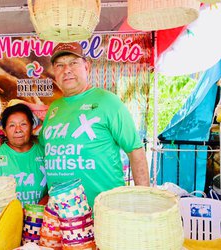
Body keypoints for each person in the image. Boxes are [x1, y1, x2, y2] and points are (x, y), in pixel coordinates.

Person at [39, 42, 149, 208]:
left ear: (87, 66)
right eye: (60, 65)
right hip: (62, 216)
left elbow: (135, 150)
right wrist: (3, 144)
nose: (66, 70)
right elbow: (41, 148)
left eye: (73, 63)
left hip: (105, 212)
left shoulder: (108, 101)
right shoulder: (54, 108)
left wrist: (144, 202)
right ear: (54, 71)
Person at [0, 104, 47, 205]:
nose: (18, 130)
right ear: (4, 130)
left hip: (39, 218)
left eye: (23, 124)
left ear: (32, 127)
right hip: (6, 218)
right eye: (12, 125)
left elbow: (54, 187)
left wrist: (35, 212)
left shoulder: (44, 151)